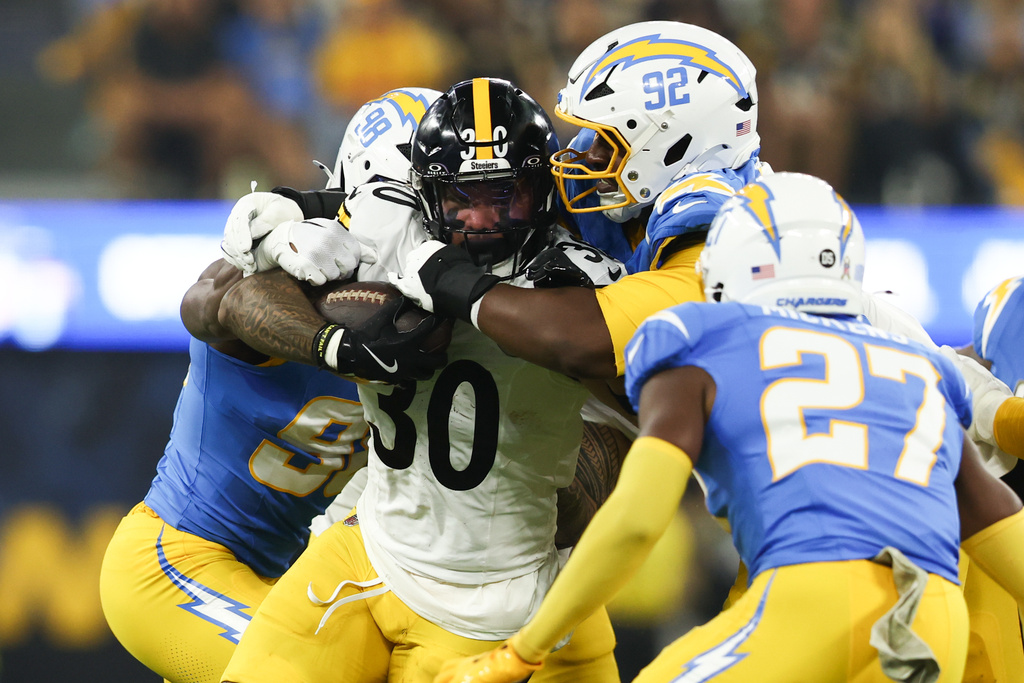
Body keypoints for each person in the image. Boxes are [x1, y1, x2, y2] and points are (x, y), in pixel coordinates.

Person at [435, 172, 1024, 683]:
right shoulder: (918, 365)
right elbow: (994, 522)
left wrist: (524, 649)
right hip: (935, 622)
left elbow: (638, 520)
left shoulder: (697, 335)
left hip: (815, 596)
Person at [217, 77, 626, 683]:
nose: (483, 220)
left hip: (488, 597)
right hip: (365, 545)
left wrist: (568, 480)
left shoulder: (576, 283)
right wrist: (331, 336)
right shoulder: (389, 222)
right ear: (425, 192)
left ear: (541, 192)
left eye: (505, 196)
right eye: (463, 197)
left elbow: (636, 415)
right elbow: (240, 299)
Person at [98, 86, 443, 683]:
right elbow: (212, 304)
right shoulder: (291, 265)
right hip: (179, 558)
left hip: (292, 575)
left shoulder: (439, 299)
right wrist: (310, 317)